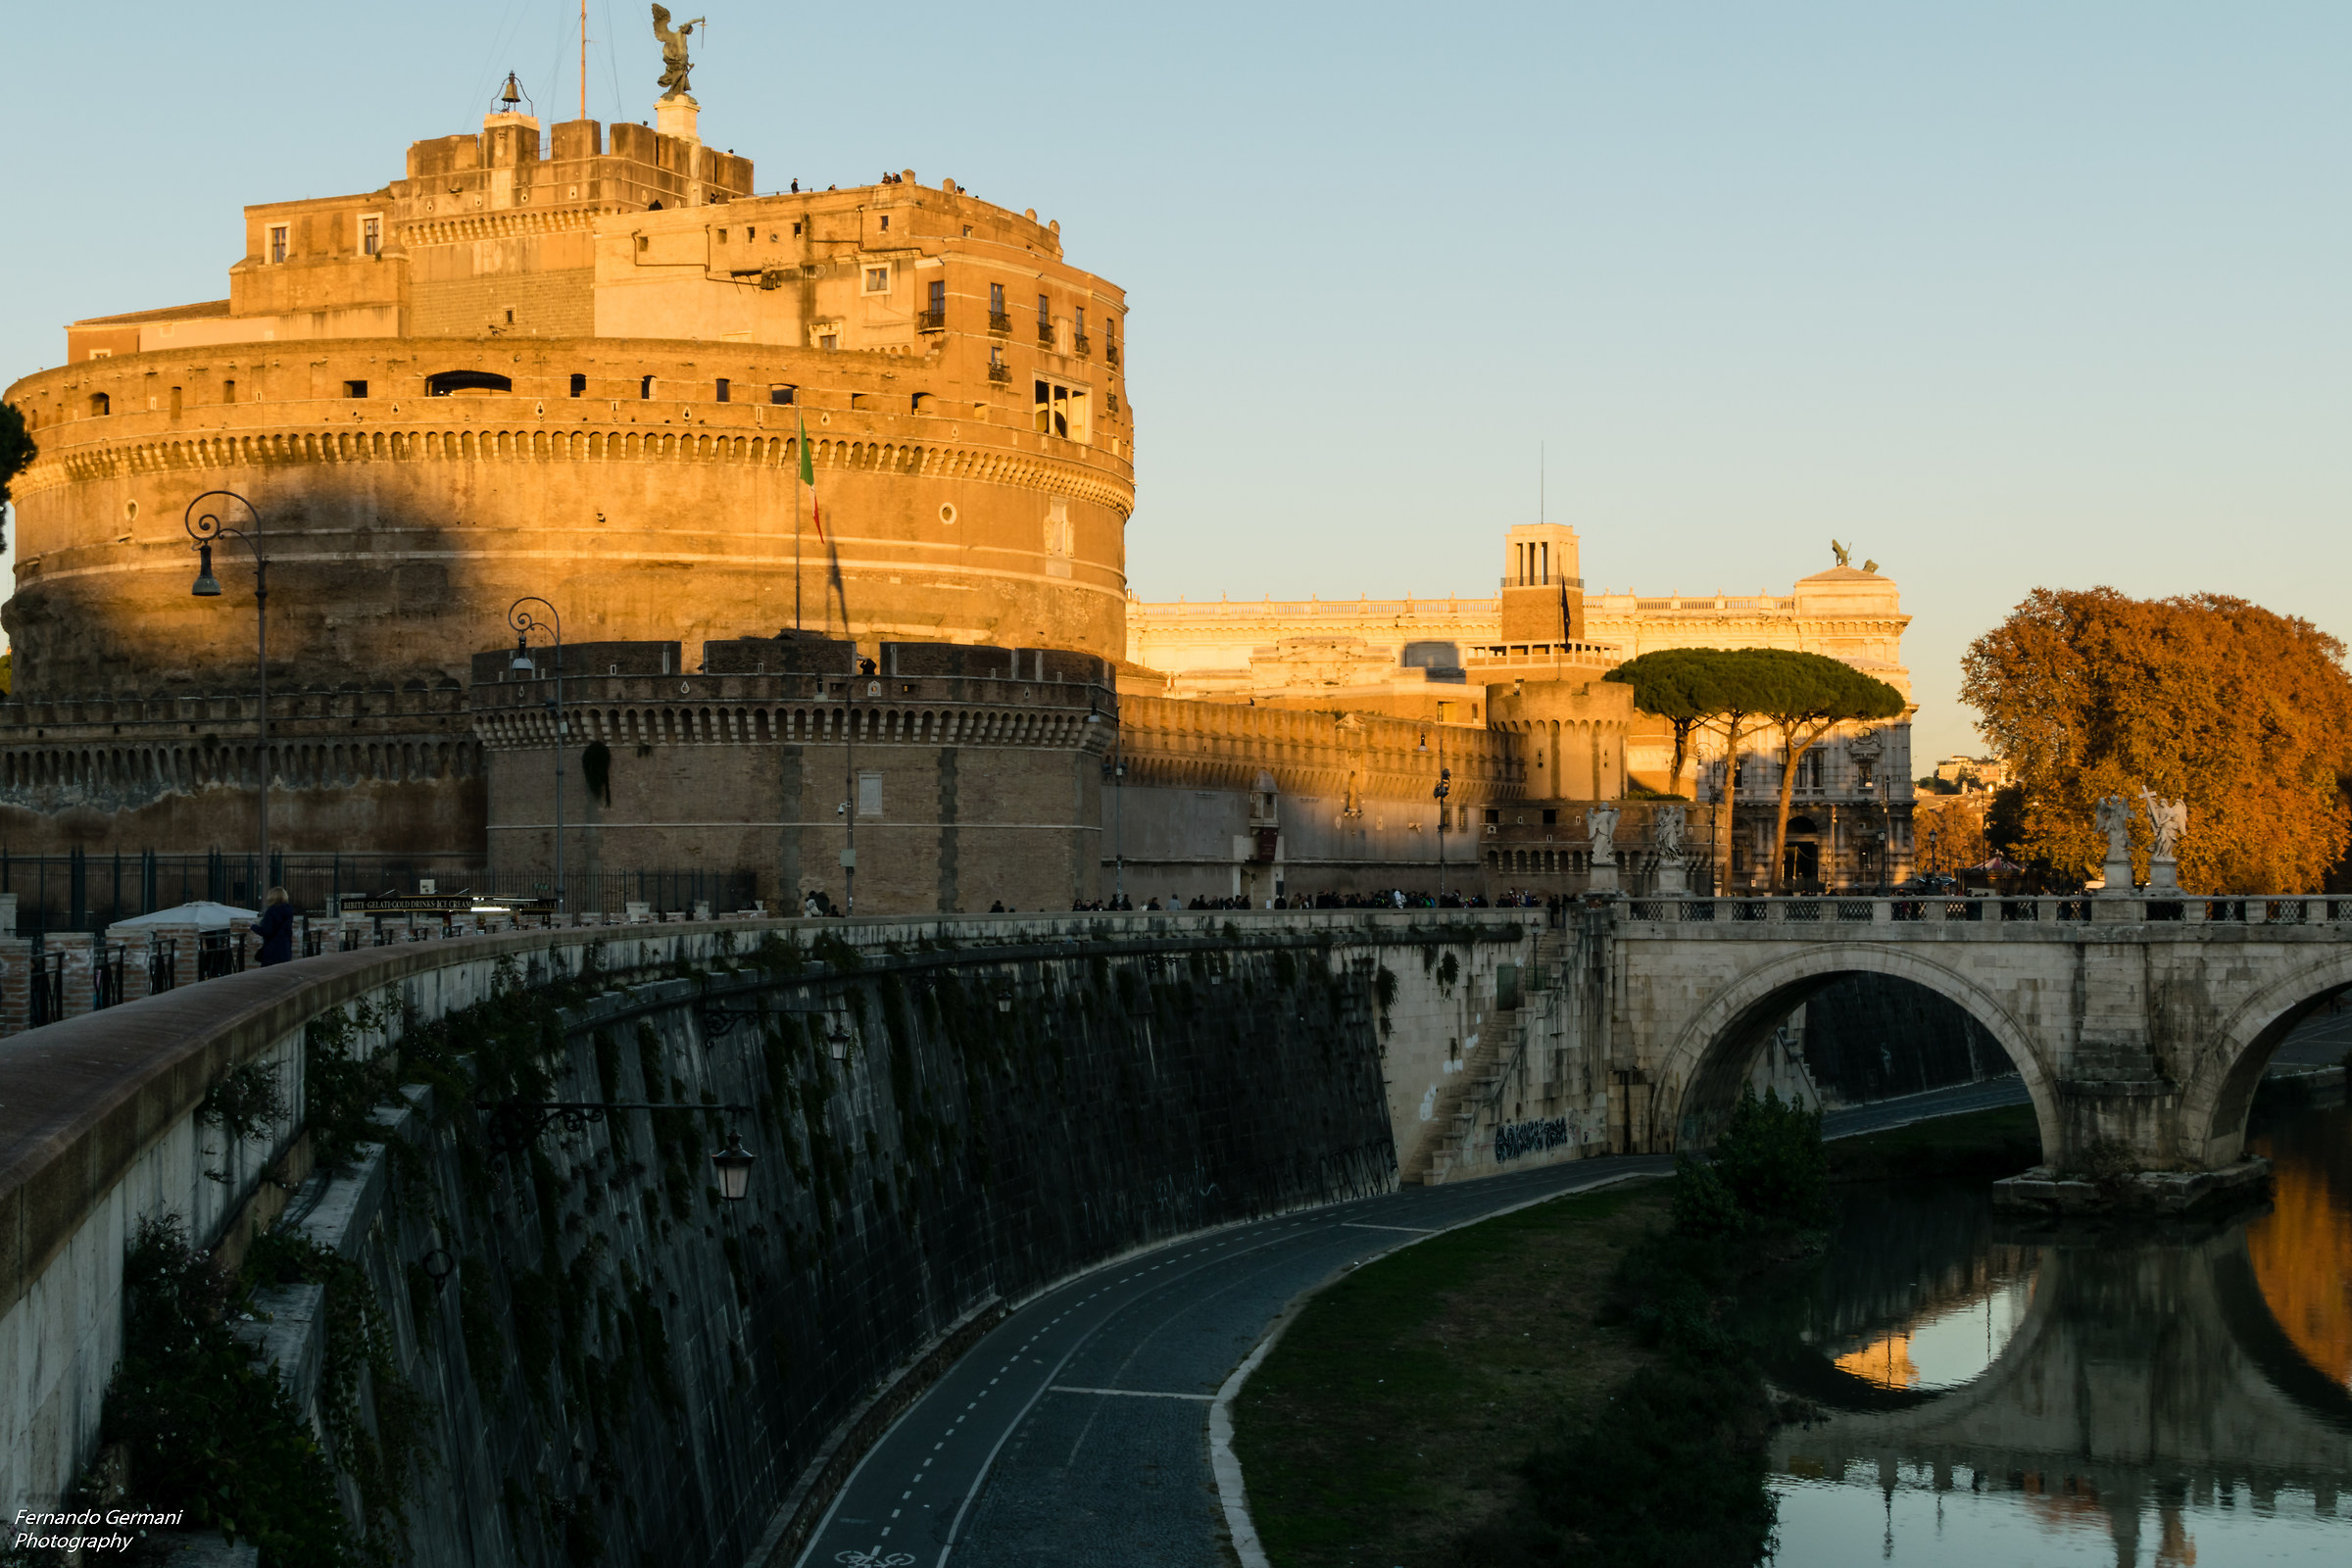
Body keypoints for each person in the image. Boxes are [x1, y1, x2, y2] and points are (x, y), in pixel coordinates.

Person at [252, 887, 296, 966]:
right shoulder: (288, 911)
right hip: (285, 948)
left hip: (272, 949)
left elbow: (267, 931)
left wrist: (253, 927)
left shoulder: (271, 911)